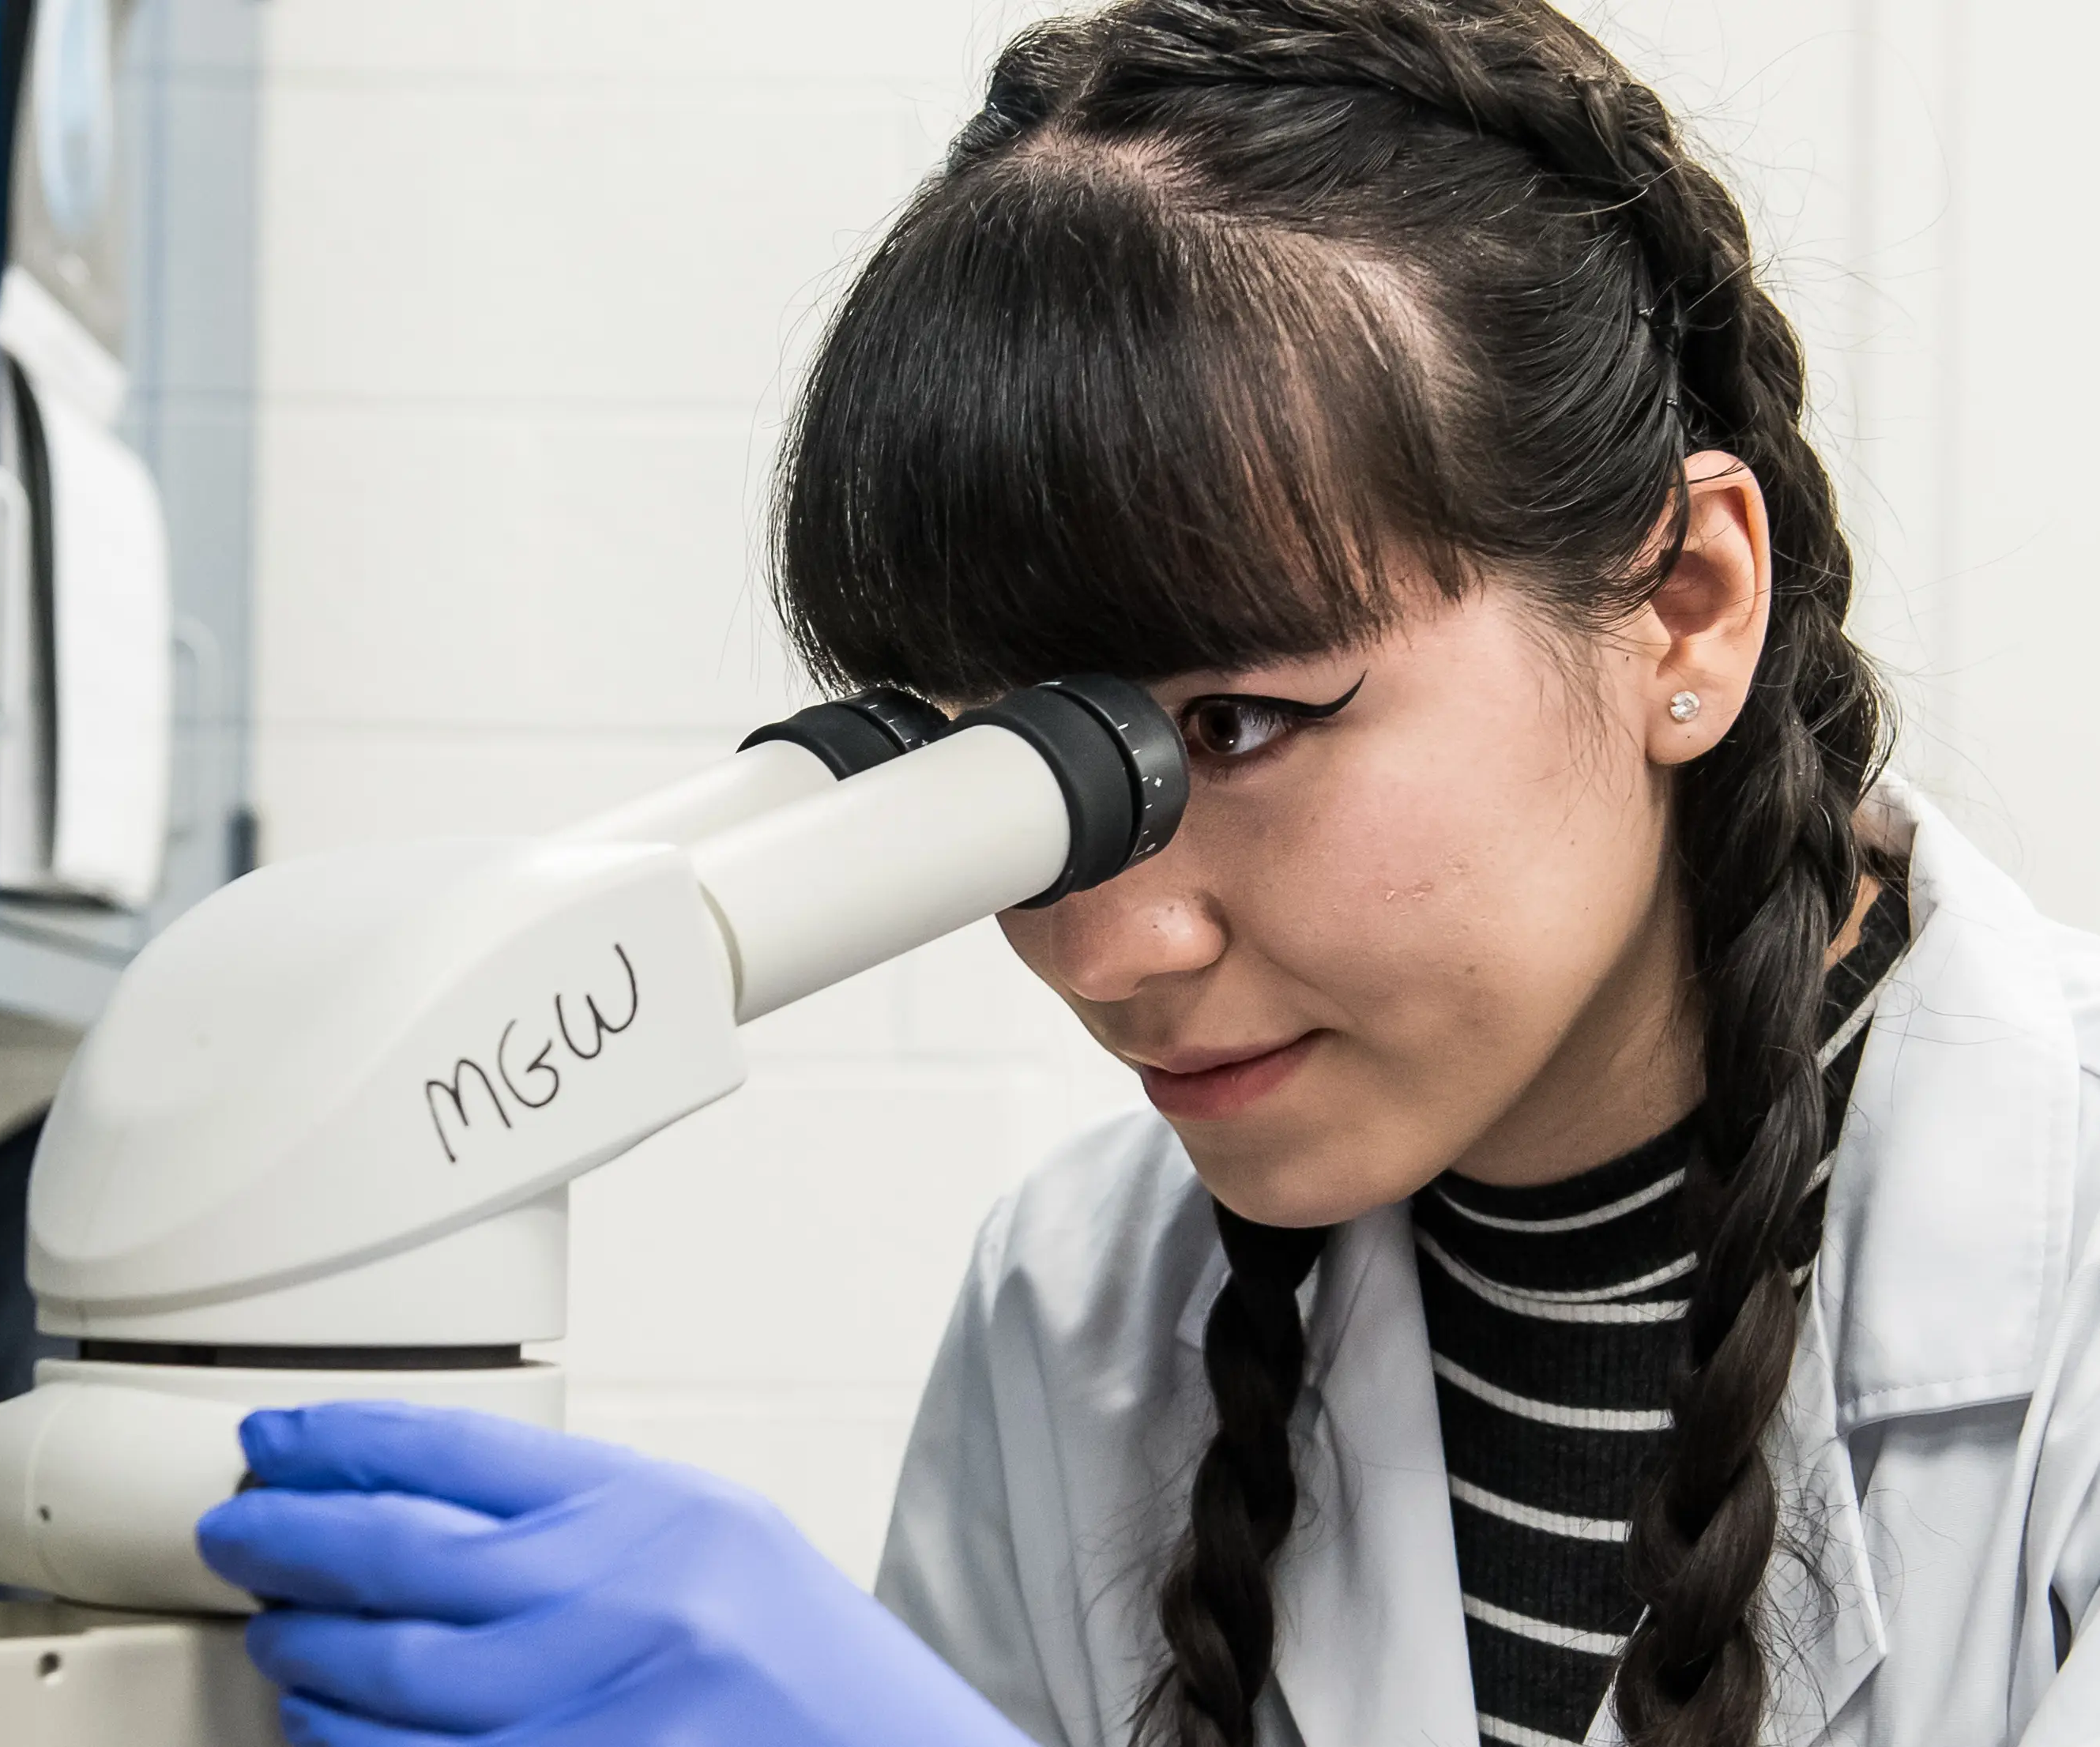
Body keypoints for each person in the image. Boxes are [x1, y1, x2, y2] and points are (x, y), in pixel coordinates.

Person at [191, 2, 2100, 1744]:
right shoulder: (1080, 1308)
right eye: (1006, 783)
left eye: (1238, 727)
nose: (1106, 945)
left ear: (1682, 608)